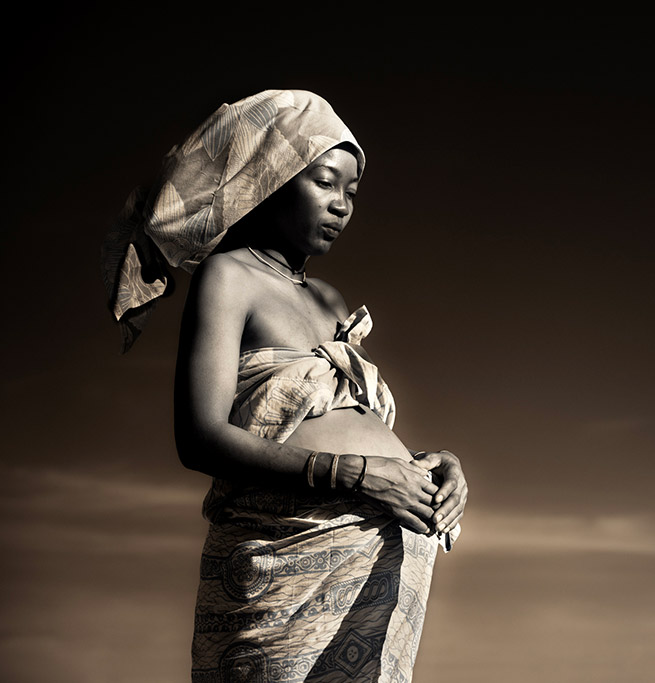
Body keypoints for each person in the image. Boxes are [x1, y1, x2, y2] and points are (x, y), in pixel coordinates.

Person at [101, 89, 467, 682]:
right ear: (272, 177)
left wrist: (435, 464)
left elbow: (352, 417)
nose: (343, 205)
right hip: (281, 565)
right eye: (325, 182)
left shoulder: (330, 301)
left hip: (376, 571)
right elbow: (199, 437)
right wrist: (356, 473)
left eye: (352, 192)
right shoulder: (231, 276)